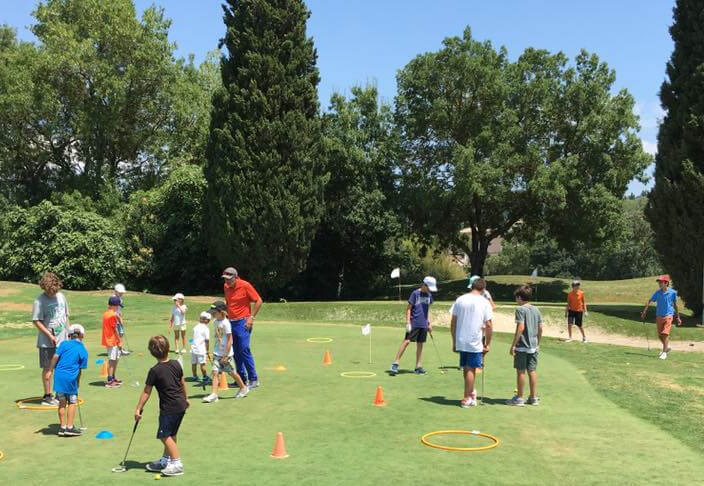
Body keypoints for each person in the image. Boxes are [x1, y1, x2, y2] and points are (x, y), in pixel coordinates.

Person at [135, 336, 189, 476]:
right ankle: (166, 460)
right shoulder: (177, 364)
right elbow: (182, 383)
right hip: (181, 404)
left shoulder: (154, 370)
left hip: (169, 407)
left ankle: (177, 463)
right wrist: (186, 398)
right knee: (172, 434)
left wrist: (138, 408)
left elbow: (147, 391)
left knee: (164, 436)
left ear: (152, 352)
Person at [450, 277, 493, 407]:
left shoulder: (460, 299)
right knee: (470, 369)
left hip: (461, 340)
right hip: (475, 341)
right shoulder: (485, 302)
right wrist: (488, 344)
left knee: (466, 368)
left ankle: (471, 393)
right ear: (483, 289)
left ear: (471, 286)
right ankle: (467, 397)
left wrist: (454, 341)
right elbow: (489, 325)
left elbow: (453, 322)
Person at [32, 272, 71, 406]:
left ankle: (59, 393)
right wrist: (49, 335)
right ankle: (47, 396)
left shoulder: (61, 296)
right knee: (48, 368)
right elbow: (36, 321)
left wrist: (69, 333)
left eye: (55, 291)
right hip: (46, 342)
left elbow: (66, 316)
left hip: (63, 339)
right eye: (50, 292)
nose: (53, 294)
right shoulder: (40, 301)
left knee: (61, 367)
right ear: (45, 288)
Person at [222, 267, 263, 388]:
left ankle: (254, 379)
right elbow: (228, 302)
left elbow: (259, 301)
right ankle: (241, 379)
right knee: (235, 352)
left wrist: (251, 318)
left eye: (229, 279)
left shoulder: (245, 285)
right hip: (231, 322)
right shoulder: (226, 287)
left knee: (244, 349)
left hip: (243, 322)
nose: (227, 281)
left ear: (235, 277)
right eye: (225, 279)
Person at [390, 276, 438, 376]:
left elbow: (428, 310)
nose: (430, 290)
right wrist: (408, 322)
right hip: (413, 323)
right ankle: (395, 363)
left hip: (423, 324)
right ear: (424, 285)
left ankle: (418, 366)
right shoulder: (415, 293)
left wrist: (429, 323)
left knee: (420, 344)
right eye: (429, 287)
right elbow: (408, 309)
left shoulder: (429, 295)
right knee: (407, 341)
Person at [202, 301, 249, 403]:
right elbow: (218, 337)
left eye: (214, 312)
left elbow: (230, 340)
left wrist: (226, 355)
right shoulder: (215, 322)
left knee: (231, 372)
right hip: (217, 353)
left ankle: (243, 388)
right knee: (215, 373)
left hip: (226, 354)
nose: (212, 314)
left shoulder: (226, 323)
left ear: (221, 312)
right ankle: (214, 394)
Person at [507, 285, 543, 407]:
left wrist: (513, 345)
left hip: (522, 345)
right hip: (533, 345)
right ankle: (533, 398)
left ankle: (519, 398)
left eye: (516, 298)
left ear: (519, 297)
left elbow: (521, 327)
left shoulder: (520, 309)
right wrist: (538, 343)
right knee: (532, 371)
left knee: (520, 371)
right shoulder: (536, 309)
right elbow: (540, 328)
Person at [49, 324, 88, 436]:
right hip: (71, 378)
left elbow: (56, 357)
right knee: (72, 402)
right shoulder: (83, 349)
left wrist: (50, 370)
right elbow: (80, 369)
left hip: (59, 377)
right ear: (82, 335)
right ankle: (69, 427)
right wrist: (78, 382)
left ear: (69, 335)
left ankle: (62, 427)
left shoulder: (64, 344)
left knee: (61, 402)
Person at [641, 274, 681, 360]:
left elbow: (675, 305)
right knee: (660, 335)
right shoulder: (657, 293)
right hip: (659, 315)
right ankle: (667, 347)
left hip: (669, 315)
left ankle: (664, 352)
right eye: (659, 282)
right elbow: (650, 300)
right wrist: (645, 311)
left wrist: (678, 317)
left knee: (665, 334)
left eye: (661, 282)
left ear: (666, 283)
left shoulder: (673, 293)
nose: (659, 284)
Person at [102, 296, 123, 387]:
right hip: (112, 340)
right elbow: (115, 330)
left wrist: (118, 318)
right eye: (118, 306)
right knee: (112, 360)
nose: (119, 307)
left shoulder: (107, 313)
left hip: (110, 340)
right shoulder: (112, 315)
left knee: (116, 358)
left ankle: (113, 378)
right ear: (114, 306)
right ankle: (110, 380)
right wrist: (120, 341)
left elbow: (114, 316)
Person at [189, 312, 211, 382]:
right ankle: (205, 377)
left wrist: (192, 345)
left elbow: (191, 338)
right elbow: (207, 341)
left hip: (193, 349)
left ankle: (194, 376)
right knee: (202, 364)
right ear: (206, 320)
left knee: (194, 363)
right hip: (201, 350)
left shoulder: (195, 327)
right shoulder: (206, 329)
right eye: (208, 320)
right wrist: (207, 350)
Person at [113, 283, 130, 355]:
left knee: (121, 333)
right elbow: (113, 311)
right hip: (114, 319)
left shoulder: (120, 299)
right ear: (116, 291)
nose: (122, 294)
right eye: (120, 292)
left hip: (118, 318)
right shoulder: (113, 298)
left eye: (122, 293)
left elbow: (119, 310)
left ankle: (120, 349)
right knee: (117, 334)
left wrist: (121, 318)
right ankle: (119, 350)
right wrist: (119, 318)